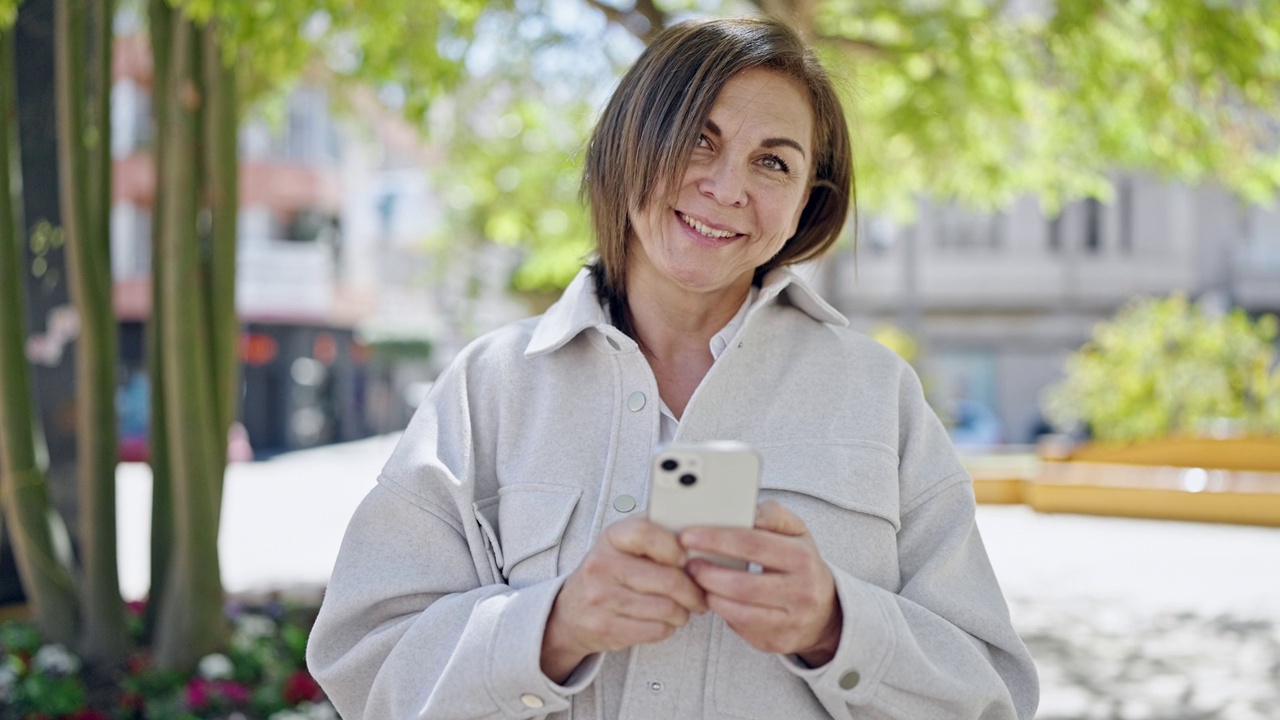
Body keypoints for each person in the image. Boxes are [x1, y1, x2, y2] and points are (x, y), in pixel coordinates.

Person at [307, 15, 1039, 720]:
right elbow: (364, 667)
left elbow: (991, 697)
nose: (727, 188)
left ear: (805, 202)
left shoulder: (880, 396)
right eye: (698, 139)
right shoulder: (488, 389)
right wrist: (554, 626)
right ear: (629, 143)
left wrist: (835, 626)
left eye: (773, 162)